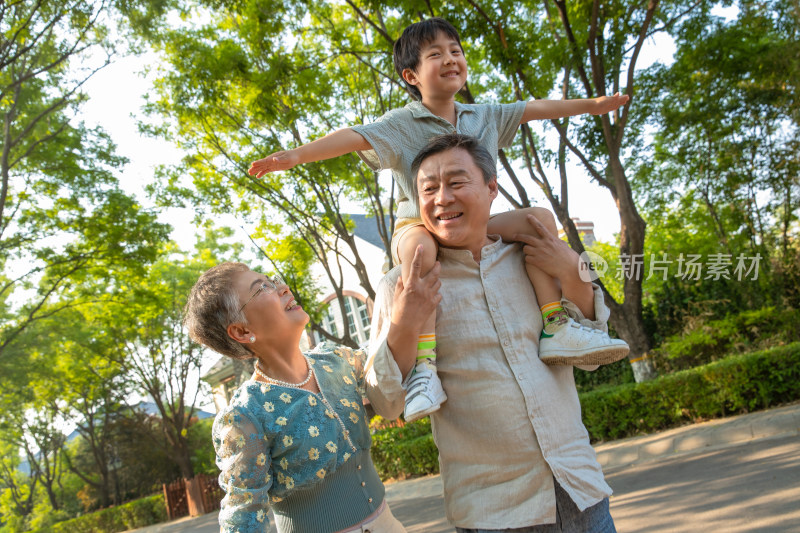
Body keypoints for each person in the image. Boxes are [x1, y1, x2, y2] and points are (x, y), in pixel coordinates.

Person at [248, 17, 628, 422]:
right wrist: (295, 156)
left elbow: (536, 108)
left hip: (473, 224)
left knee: (539, 220)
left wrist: (594, 106)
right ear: (411, 74)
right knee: (421, 255)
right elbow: (354, 136)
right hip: (419, 227)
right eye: (436, 54)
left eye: (455, 51)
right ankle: (425, 370)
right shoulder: (401, 124)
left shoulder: (483, 115)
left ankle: (556, 324)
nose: (451, 59)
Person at [366, 133, 617, 532]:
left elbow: (591, 346)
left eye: (456, 182)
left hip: (582, 494)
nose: (442, 198)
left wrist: (572, 271)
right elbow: (385, 403)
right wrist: (407, 320)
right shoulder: (402, 284)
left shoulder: (534, 258)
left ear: (491, 187)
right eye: (428, 189)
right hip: (492, 513)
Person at [184, 262, 413, 533]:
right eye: (262, 288)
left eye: (274, 280)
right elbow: (242, 515)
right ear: (242, 331)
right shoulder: (246, 415)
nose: (282, 288)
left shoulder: (335, 360)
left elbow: (387, 365)